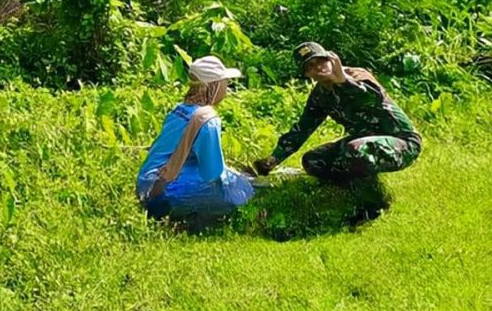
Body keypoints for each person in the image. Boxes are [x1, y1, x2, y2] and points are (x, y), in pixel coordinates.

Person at [253, 42, 421, 183]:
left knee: (356, 151)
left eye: (320, 61)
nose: (317, 68)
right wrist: (274, 159)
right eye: (310, 67)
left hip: (401, 141)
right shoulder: (320, 95)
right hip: (361, 140)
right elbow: (303, 129)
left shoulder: (357, 75)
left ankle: (373, 204)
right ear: (307, 74)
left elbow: (372, 99)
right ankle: (344, 190)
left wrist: (343, 81)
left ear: (331, 59)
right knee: (312, 161)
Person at [136, 55, 255, 220]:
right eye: (224, 83)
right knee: (241, 189)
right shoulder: (207, 120)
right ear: (213, 86)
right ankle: (191, 220)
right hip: (165, 193)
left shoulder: (179, 109)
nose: (227, 88)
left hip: (145, 182)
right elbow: (212, 173)